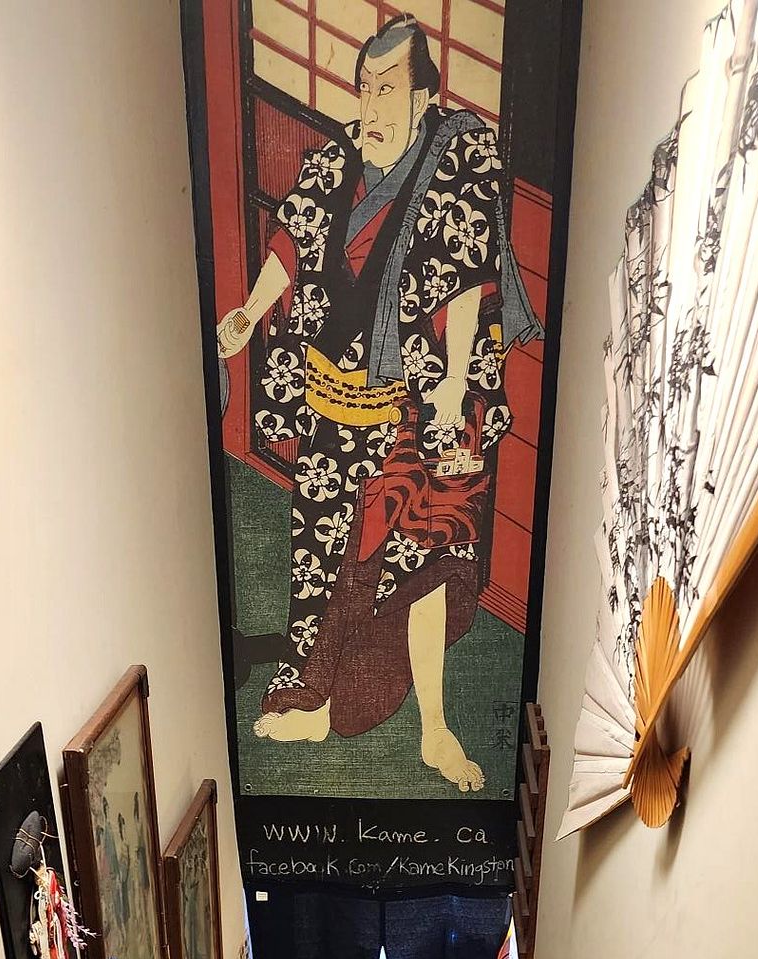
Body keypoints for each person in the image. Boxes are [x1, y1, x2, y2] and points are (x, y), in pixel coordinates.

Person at [217, 13, 539, 792]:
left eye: (388, 89)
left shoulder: (454, 170)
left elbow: (465, 284)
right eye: (365, 86)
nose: (372, 103)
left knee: (416, 567)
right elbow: (291, 239)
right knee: (318, 557)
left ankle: (433, 728)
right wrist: (251, 312)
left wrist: (453, 387)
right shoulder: (338, 162)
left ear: (424, 97)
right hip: (330, 402)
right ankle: (310, 693)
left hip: (409, 410)